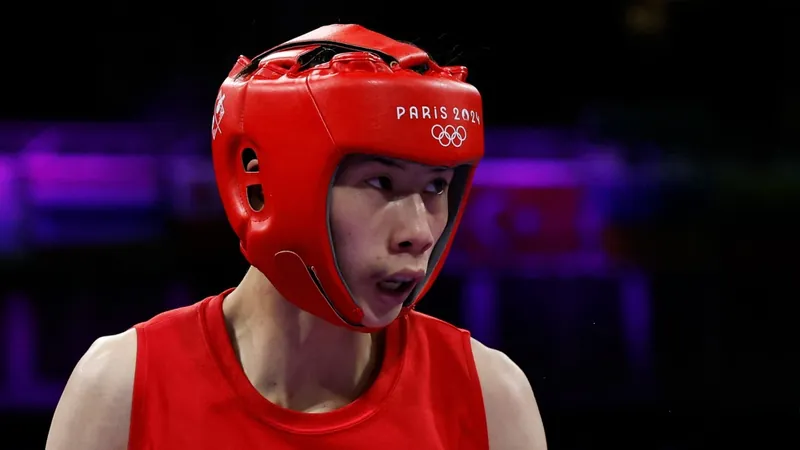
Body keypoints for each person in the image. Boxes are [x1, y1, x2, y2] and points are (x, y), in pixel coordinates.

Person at [45, 24, 547, 449]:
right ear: (263, 181)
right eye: (381, 182)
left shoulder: (489, 398)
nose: (419, 233)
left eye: (436, 186)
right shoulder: (123, 389)